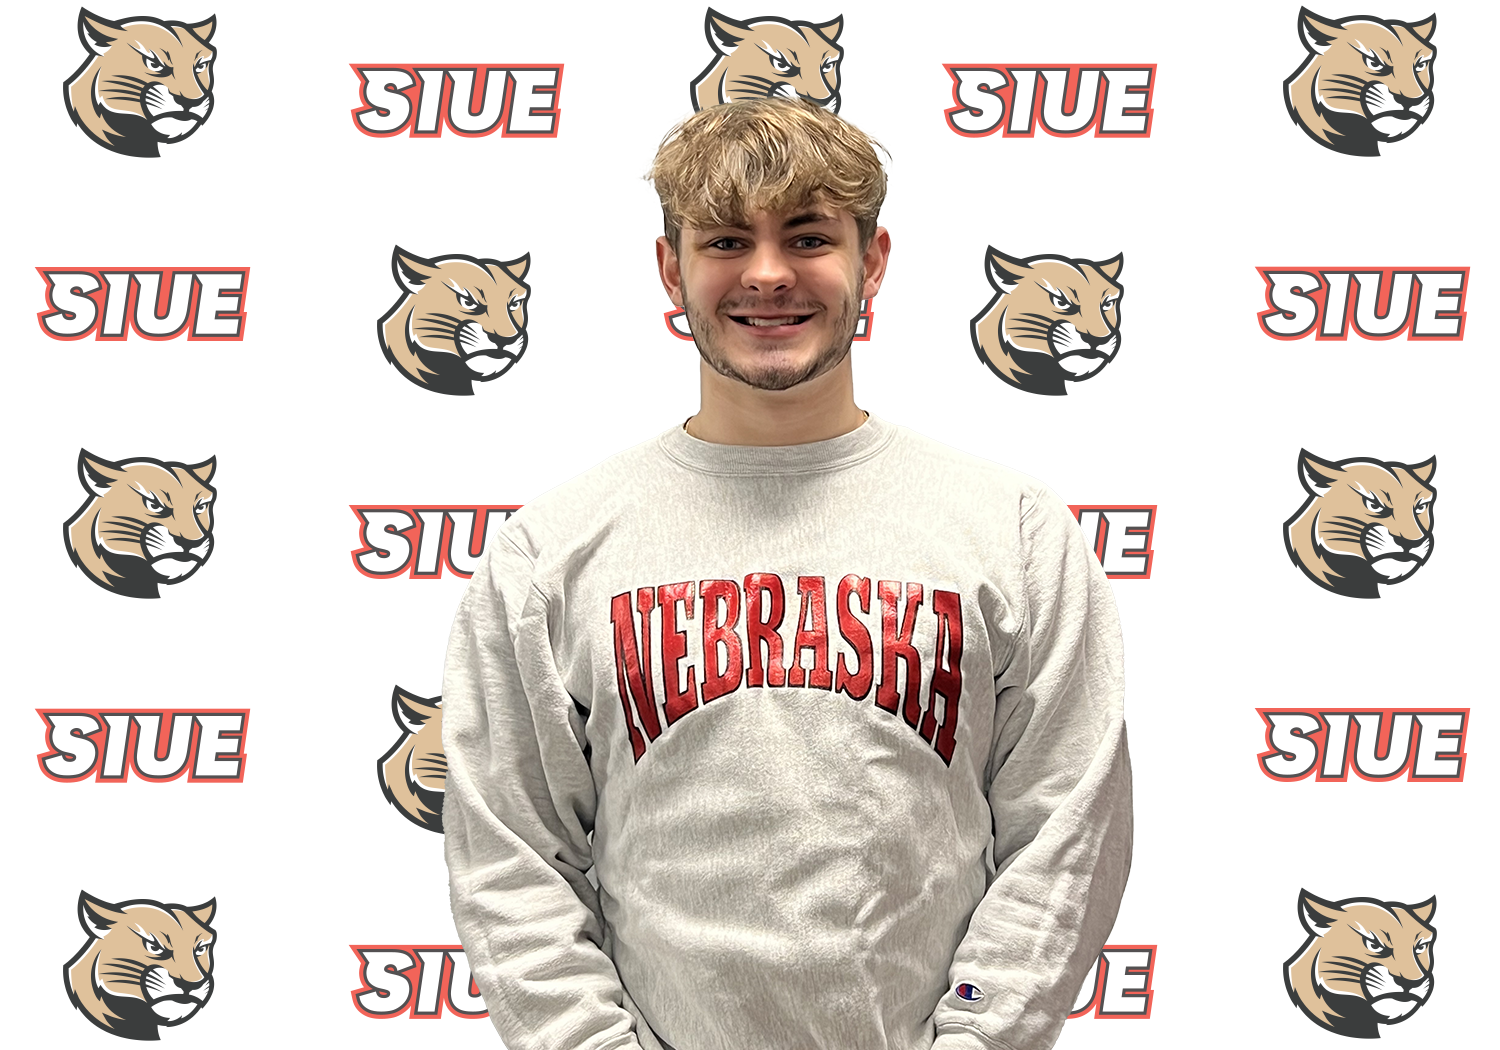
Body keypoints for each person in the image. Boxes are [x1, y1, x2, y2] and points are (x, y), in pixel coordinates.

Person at [443, 97, 1132, 1050]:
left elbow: (1066, 832)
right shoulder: (554, 550)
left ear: (872, 261)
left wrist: (977, 1040)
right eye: (727, 241)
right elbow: (510, 854)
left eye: (807, 237)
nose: (767, 275)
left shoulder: (1012, 530)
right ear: (671, 268)